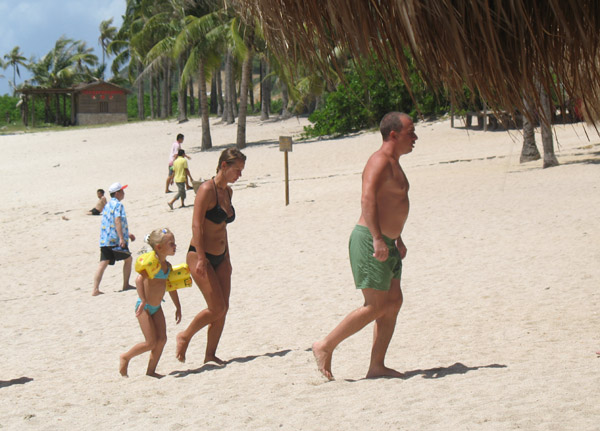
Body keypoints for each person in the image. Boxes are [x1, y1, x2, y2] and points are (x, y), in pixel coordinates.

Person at [312, 112, 418, 380]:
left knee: (393, 302)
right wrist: (378, 238)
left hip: (388, 242)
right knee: (375, 305)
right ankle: (325, 345)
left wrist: (397, 237)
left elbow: (391, 203)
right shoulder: (379, 161)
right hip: (371, 240)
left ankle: (377, 366)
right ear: (393, 135)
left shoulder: (394, 162)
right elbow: (367, 200)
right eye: (410, 132)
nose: (415, 137)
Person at [175, 148, 246, 364]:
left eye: (241, 171)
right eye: (237, 170)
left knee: (223, 308)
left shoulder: (228, 192)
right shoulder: (207, 189)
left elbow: (222, 228)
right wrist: (202, 258)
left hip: (221, 256)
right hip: (199, 254)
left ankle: (210, 354)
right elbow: (196, 225)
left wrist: (228, 258)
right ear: (224, 166)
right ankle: (184, 336)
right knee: (216, 307)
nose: (239, 175)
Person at [119, 228, 182, 377]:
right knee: (150, 342)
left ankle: (151, 371)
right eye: (171, 244)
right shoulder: (152, 264)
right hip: (144, 307)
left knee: (162, 339)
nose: (175, 246)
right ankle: (125, 357)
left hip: (157, 306)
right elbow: (139, 280)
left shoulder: (168, 266)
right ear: (159, 247)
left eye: (174, 243)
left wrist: (178, 306)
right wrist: (143, 300)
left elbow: (171, 287)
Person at [92, 182, 136, 296]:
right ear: (117, 193)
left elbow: (110, 223)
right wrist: (122, 238)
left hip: (105, 239)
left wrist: (127, 234)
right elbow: (117, 220)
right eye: (122, 191)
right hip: (114, 240)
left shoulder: (107, 205)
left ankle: (95, 289)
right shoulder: (118, 205)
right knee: (128, 259)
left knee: (103, 263)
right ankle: (126, 284)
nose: (124, 193)